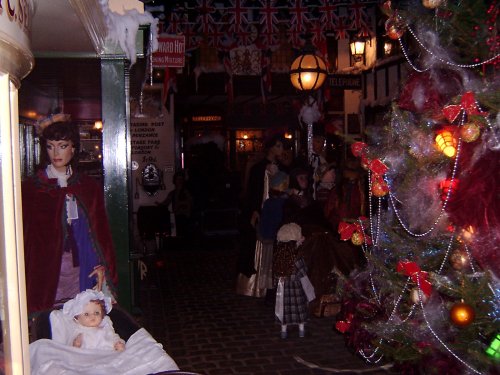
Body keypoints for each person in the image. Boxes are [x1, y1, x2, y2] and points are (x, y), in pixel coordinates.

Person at [22, 119, 118, 314]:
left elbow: (100, 232)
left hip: (82, 265)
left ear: (73, 149)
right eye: (50, 147)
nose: (56, 153)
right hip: (46, 269)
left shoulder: (87, 187)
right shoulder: (32, 189)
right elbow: (26, 237)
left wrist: (101, 265)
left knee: (83, 318)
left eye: (62, 146)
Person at [236, 134, 286, 297]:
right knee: (258, 244)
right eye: (278, 146)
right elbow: (253, 192)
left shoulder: (282, 167)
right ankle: (255, 285)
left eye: (281, 146)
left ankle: (271, 284)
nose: (281, 149)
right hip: (262, 210)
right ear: (271, 147)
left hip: (275, 211)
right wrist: (255, 210)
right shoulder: (259, 168)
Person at [273, 223, 314, 339]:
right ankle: (301, 330)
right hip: (296, 289)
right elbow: (302, 272)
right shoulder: (297, 259)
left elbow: (276, 275)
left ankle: (284, 331)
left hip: (284, 290)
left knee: (284, 309)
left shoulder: (279, 259)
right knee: (299, 309)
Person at [257, 171, 289, 302]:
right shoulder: (278, 203)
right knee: (273, 266)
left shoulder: (271, 202)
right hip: (273, 239)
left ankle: (272, 294)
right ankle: (272, 294)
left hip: (270, 237)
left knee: (271, 266)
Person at [157, 171, 193, 238]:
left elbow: (190, 202)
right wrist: (160, 205)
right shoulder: (172, 193)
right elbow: (166, 203)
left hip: (186, 219)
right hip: (177, 219)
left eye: (181, 179)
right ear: (175, 181)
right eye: (178, 179)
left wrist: (181, 203)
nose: (180, 181)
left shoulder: (186, 192)